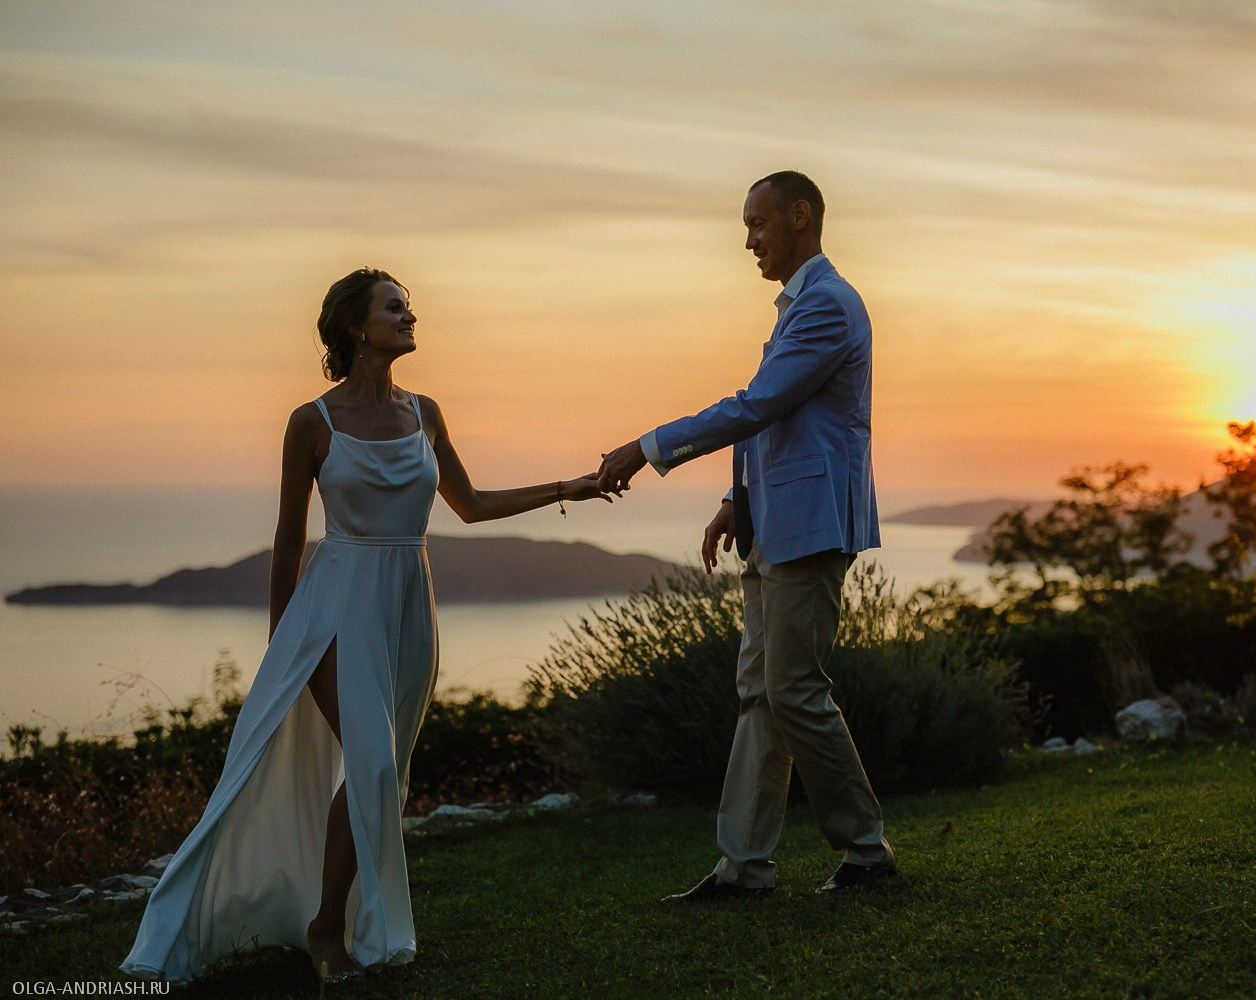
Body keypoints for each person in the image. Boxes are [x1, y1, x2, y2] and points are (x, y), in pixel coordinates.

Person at [122, 268, 606, 983]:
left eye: (410, 306)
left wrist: (569, 487)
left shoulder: (425, 412)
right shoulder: (310, 423)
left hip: (411, 601)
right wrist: (280, 640)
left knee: (387, 773)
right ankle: (325, 934)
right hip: (335, 605)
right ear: (356, 326)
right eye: (395, 307)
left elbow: (468, 504)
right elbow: (289, 537)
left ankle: (331, 921)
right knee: (373, 763)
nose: (411, 316)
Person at [596, 171, 895, 899]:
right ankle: (743, 866)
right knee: (761, 693)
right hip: (774, 524)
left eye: (757, 225)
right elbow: (783, 422)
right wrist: (737, 498)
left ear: (800, 216)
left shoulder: (827, 305)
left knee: (792, 690)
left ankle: (866, 850)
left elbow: (758, 405)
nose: (749, 241)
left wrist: (649, 445)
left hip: (811, 526)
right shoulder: (800, 307)